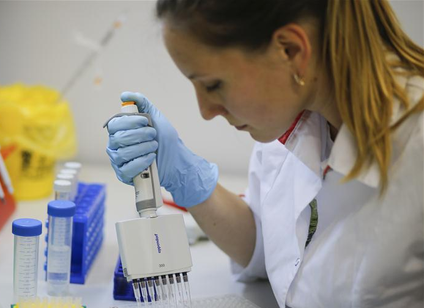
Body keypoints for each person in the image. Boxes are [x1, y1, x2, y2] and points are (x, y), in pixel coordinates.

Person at [105, 0, 424, 307]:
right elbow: (271, 249)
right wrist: (191, 182)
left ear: (291, 51)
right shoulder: (291, 115)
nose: (206, 111)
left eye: (214, 85)